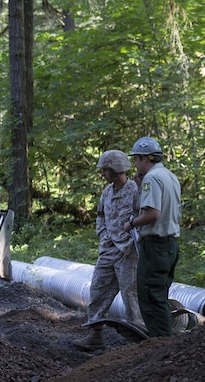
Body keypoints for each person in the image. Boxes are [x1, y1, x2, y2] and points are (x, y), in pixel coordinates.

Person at [72, 150, 142, 351]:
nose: (102, 173)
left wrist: (131, 241)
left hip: (128, 252)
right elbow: (100, 215)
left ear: (116, 170)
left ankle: (137, 340)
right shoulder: (107, 192)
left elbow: (144, 218)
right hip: (108, 250)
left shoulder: (135, 190)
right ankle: (95, 335)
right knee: (97, 290)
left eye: (105, 170)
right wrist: (102, 234)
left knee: (130, 294)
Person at [122, 136, 181, 337]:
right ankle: (165, 343)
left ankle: (161, 346)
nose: (135, 164)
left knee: (150, 298)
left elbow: (153, 213)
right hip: (170, 244)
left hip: (156, 247)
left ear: (145, 159)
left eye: (136, 160)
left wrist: (131, 224)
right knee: (159, 296)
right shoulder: (169, 176)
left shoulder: (152, 178)